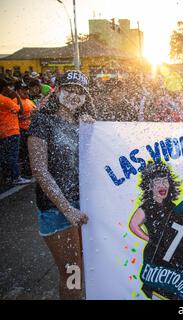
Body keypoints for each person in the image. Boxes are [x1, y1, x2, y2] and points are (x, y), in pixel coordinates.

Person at [27, 70, 94, 299]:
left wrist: (93, 131)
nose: (74, 96)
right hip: (57, 211)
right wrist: (67, 209)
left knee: (82, 269)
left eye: (80, 92)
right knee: (72, 273)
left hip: (81, 207)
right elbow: (39, 170)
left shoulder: (83, 123)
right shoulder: (41, 120)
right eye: (69, 90)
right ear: (58, 91)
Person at [128, 161, 181, 299]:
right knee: (155, 287)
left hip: (171, 252)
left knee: (172, 286)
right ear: (150, 186)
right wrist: (149, 239)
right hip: (155, 253)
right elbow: (134, 225)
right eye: (158, 182)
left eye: (165, 181)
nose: (162, 185)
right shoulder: (147, 207)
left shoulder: (172, 206)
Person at [0, 76, 31, 186]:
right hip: (11, 131)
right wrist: (17, 96)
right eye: (9, 86)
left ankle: (8, 177)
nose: (11, 89)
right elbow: (21, 110)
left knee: (5, 156)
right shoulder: (5, 100)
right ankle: (15, 177)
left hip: (3, 132)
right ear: (4, 88)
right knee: (13, 156)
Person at [13, 80, 36, 178]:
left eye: (26, 89)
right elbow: (15, 117)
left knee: (30, 152)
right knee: (25, 153)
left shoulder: (29, 100)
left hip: (30, 130)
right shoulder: (15, 101)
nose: (26, 92)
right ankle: (26, 172)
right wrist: (29, 116)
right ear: (17, 91)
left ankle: (29, 170)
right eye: (23, 90)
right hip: (22, 130)